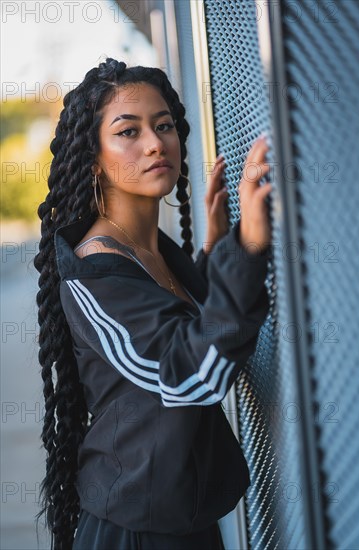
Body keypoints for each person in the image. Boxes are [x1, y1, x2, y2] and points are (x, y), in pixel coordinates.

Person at [34, 58, 272, 550]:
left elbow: (185, 330)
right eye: (128, 131)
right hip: (135, 531)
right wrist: (247, 250)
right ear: (93, 156)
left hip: (183, 521)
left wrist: (213, 256)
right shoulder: (93, 274)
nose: (154, 143)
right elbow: (190, 375)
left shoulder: (153, 251)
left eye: (164, 125)